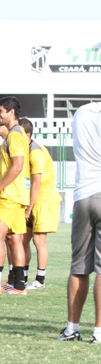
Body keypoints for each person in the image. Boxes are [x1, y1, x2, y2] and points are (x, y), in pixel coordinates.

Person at [59, 102, 101, 343]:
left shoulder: (82, 112)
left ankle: (71, 328)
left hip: (83, 196)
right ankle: (99, 332)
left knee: (79, 267)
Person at [0, 96, 30, 295]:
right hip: (16, 195)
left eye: (0, 111)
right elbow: (4, 169)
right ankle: (19, 286)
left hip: (9, 196)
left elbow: (17, 166)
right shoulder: (12, 136)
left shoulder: (15, 135)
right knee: (13, 239)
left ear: (11, 112)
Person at [19, 118, 61, 290]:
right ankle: (23, 278)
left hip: (44, 200)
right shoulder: (24, 150)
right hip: (32, 199)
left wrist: (28, 209)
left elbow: (36, 183)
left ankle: (40, 280)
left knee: (38, 240)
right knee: (23, 240)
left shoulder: (36, 152)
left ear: (28, 135)